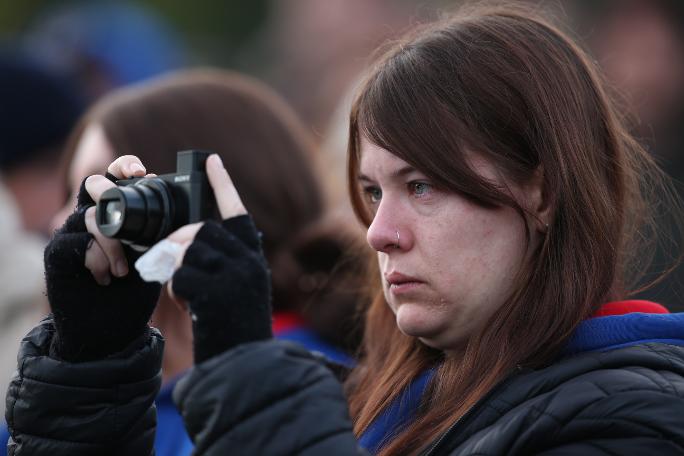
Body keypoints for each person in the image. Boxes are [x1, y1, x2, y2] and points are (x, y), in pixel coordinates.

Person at [6, 4, 684, 455]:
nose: (380, 232)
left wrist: (244, 366)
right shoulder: (358, 398)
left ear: (541, 190)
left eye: (421, 186)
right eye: (369, 192)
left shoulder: (633, 418)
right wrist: (89, 361)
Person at [3, 69, 364, 456]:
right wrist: (83, 365)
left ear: (202, 203)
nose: (62, 223)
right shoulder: (100, 397)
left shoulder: (332, 398)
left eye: (113, 197)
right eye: (79, 198)